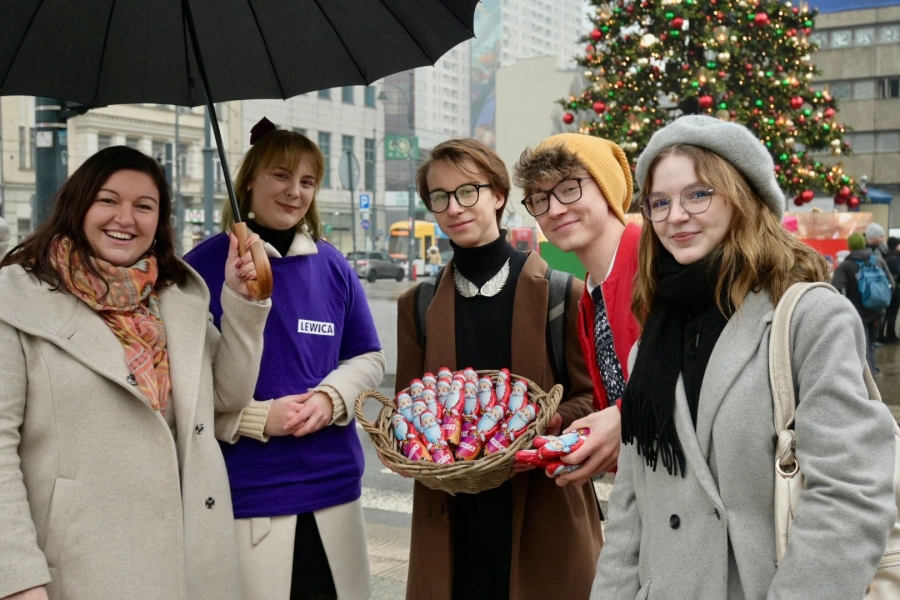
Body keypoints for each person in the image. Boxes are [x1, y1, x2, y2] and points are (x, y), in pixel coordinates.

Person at [594, 115, 896, 599]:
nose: (675, 216)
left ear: (743, 196)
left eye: (697, 194)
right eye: (659, 202)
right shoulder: (648, 348)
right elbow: (631, 513)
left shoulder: (810, 319)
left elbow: (849, 494)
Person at [0, 146, 270, 600]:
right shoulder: (17, 299)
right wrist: (18, 579)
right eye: (107, 200)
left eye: (144, 206)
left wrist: (243, 301)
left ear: (159, 220)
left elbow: (228, 395)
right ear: (77, 204)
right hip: (81, 566)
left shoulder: (177, 297)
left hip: (191, 561)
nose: (125, 218)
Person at [391, 138, 603, 599]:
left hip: (541, 510)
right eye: (439, 196)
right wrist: (404, 446)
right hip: (452, 519)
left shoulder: (560, 294)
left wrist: (547, 421)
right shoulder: (418, 305)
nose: (454, 207)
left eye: (468, 191)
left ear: (499, 195)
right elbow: (406, 409)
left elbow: (593, 399)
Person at [184, 119, 384, 600]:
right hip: (249, 494)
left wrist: (331, 397)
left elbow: (369, 356)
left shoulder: (333, 265)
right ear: (249, 180)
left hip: (335, 487)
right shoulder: (199, 269)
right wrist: (257, 419)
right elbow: (183, 394)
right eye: (281, 175)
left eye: (307, 181)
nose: (295, 192)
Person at [514, 133, 641, 487]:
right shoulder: (590, 290)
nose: (554, 210)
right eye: (540, 199)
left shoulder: (656, 265)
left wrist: (625, 419)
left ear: (608, 189)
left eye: (569, 189)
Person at [831, 232, 894, 373]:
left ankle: (868, 379)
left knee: (862, 347)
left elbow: (836, 288)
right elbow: (892, 284)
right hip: (879, 311)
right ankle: (873, 372)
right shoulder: (878, 261)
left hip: (858, 313)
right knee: (870, 345)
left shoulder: (846, 265)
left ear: (850, 246)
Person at [882, 236, 900, 344]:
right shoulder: (893, 259)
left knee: (888, 314)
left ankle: (885, 336)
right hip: (894, 289)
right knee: (892, 314)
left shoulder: (888, 256)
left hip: (890, 288)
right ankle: (890, 337)